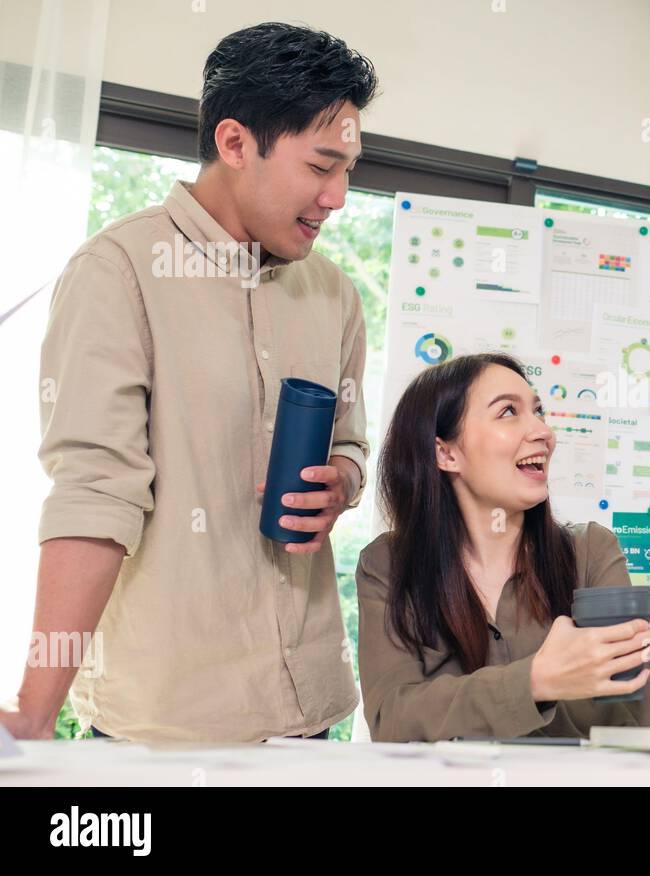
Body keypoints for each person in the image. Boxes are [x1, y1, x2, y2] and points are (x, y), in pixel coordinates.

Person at [0, 23, 379, 742]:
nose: (338, 198)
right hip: (169, 724)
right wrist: (34, 710)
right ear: (235, 144)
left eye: (350, 170)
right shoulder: (118, 273)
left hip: (312, 714)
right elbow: (94, 493)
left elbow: (354, 445)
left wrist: (344, 480)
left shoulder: (334, 293)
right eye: (321, 166)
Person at [358, 353, 650, 741]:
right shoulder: (387, 565)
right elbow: (394, 719)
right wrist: (535, 682)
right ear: (446, 453)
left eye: (538, 411)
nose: (542, 432)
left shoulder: (591, 553)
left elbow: (647, 722)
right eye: (508, 412)